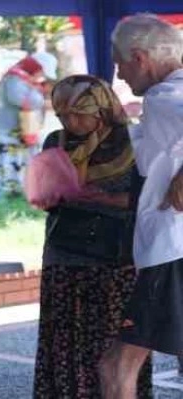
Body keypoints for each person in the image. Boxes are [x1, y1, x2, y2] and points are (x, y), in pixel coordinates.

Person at [32, 75, 152, 399]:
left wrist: (101, 199)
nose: (69, 122)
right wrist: (48, 194)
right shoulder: (55, 142)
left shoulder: (135, 142)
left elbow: (150, 199)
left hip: (117, 260)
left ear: (101, 109)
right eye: (61, 115)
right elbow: (44, 196)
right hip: (65, 255)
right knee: (65, 341)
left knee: (113, 347)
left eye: (77, 113)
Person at [99, 14, 183, 399]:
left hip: (172, 251)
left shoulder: (164, 96)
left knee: (116, 366)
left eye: (120, 65)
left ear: (140, 57)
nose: (120, 76)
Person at [0, 52, 57, 201]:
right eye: (41, 70)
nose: (41, 75)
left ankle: (19, 191)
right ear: (34, 66)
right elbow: (19, 99)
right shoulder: (14, 78)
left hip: (21, 130)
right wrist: (43, 100)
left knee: (22, 160)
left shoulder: (26, 80)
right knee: (4, 160)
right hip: (7, 129)